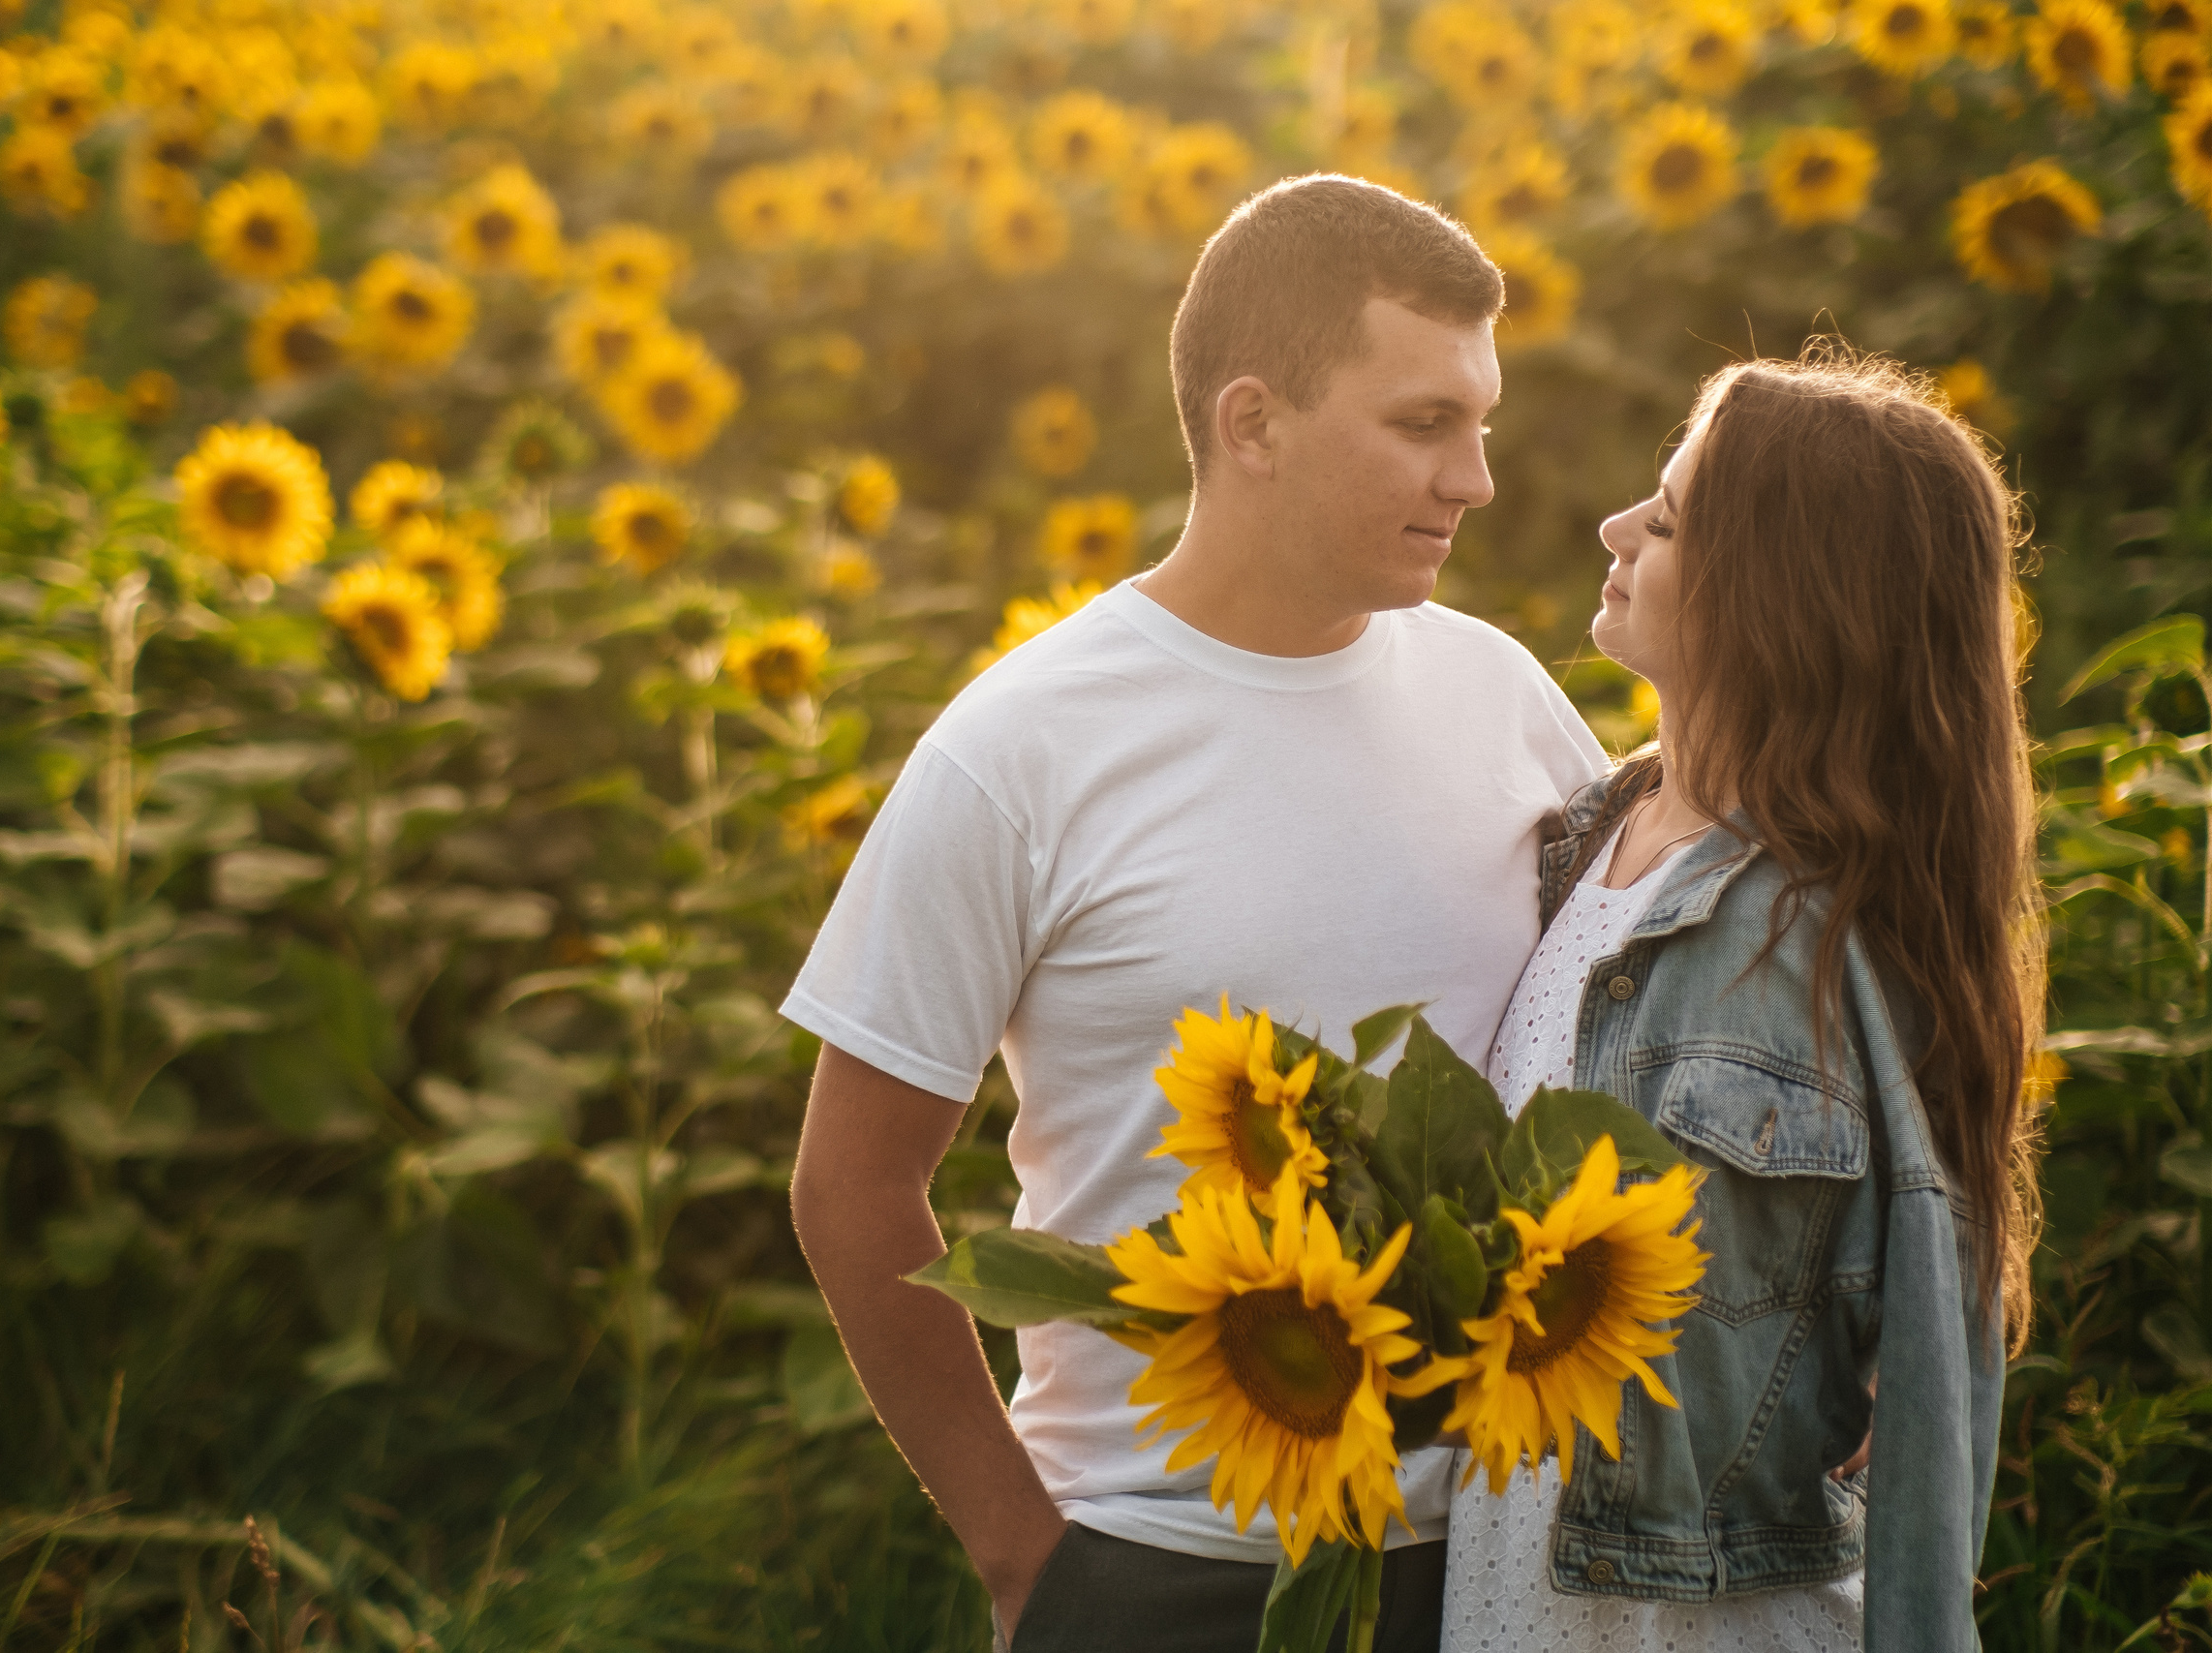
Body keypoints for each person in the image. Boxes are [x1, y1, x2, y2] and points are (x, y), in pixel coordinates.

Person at [783, 173, 1609, 1651]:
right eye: (1425, 423)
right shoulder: (1023, 748)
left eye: (1482, 423)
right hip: (1161, 1570)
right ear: (1253, 424)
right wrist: (1029, 1563)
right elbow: (852, 1185)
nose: (1476, 479)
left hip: (1504, 1561)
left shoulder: (1503, 696)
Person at [1437, 348, 2040, 1653]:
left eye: (1665, 521)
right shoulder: (1572, 842)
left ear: (1780, 596)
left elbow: (1932, 1401)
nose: (1615, 529)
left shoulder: (1829, 944)